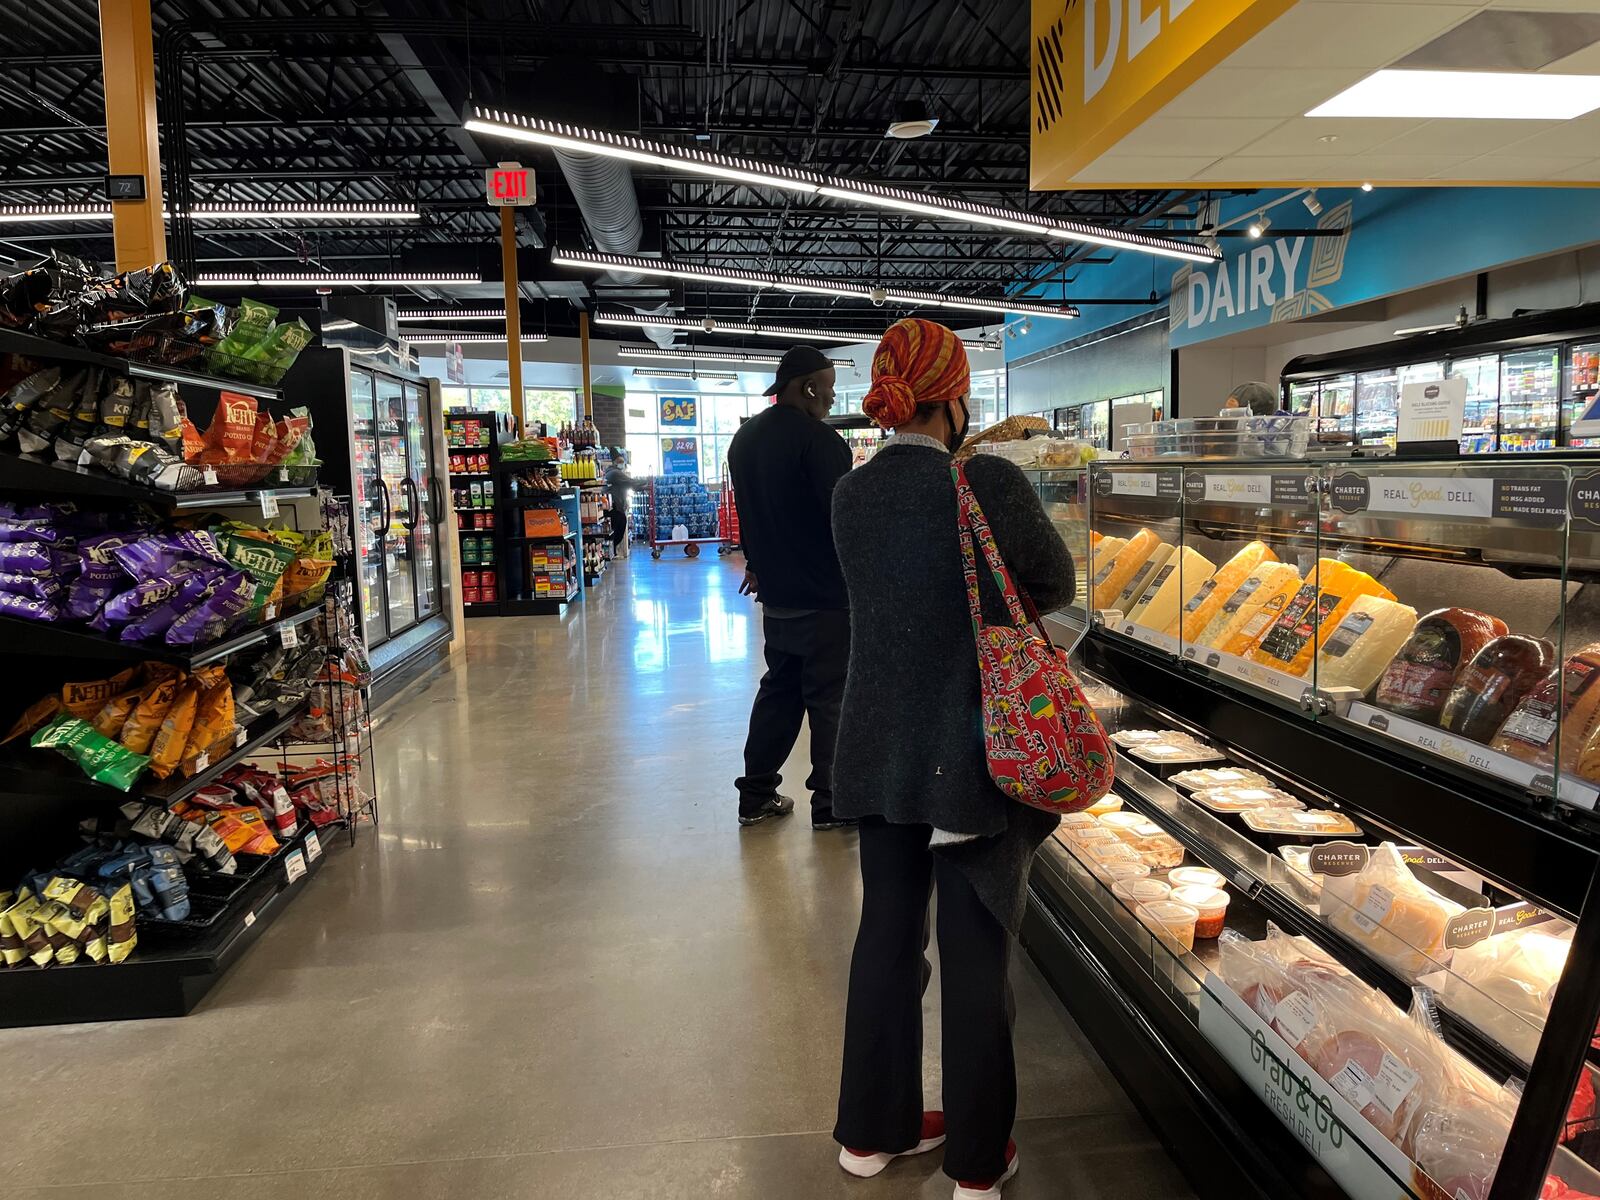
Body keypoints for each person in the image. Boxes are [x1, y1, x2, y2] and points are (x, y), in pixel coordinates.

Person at [829, 318, 1075, 1199]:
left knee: (886, 937)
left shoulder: (851, 494)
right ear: (954, 398)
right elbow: (1053, 584)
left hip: (876, 745)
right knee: (977, 954)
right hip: (975, 750)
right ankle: (978, 1161)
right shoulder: (988, 483)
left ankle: (869, 1133)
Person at [726, 344, 855, 830]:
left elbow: (751, 513)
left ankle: (755, 795)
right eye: (828, 390)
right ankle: (832, 805)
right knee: (829, 698)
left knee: (778, 691)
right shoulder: (819, 441)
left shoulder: (745, 437)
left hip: (776, 595)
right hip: (825, 595)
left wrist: (758, 564)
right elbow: (843, 520)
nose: (830, 399)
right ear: (807, 387)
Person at [603, 447, 640, 551]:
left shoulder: (612, 472)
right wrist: (645, 482)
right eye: (620, 462)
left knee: (617, 529)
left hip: (616, 505)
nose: (622, 464)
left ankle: (611, 550)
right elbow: (630, 482)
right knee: (619, 529)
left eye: (623, 462)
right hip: (615, 507)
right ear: (614, 462)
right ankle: (611, 549)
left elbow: (627, 484)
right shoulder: (615, 473)